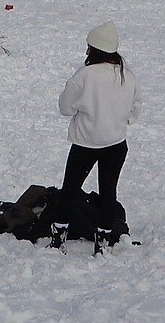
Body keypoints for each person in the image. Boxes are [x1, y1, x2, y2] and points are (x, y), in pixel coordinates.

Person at [57, 21, 141, 243]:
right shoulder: (128, 76)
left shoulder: (84, 75)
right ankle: (102, 243)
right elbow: (135, 109)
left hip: (85, 144)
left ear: (95, 49)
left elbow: (65, 107)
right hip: (116, 144)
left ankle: (58, 240)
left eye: (88, 46)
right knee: (108, 195)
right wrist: (118, 121)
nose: (86, 50)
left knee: (69, 192)